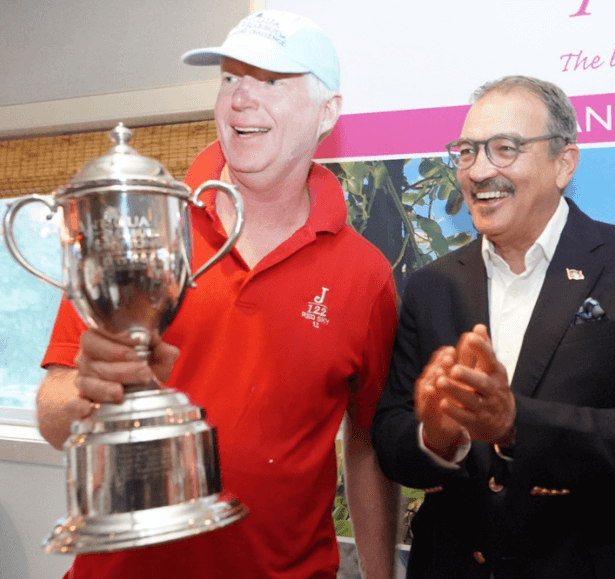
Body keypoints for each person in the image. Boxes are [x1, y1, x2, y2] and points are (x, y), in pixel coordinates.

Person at [37, 10, 399, 579]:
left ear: (327, 111)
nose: (240, 100)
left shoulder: (366, 274)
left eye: (272, 81)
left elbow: (368, 443)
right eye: (229, 78)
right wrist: (87, 392)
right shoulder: (139, 230)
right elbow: (54, 413)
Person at [372, 75, 615, 578]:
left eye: (505, 149)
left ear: (563, 163)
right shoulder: (431, 286)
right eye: (466, 151)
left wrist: (515, 424)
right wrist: (436, 438)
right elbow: (392, 439)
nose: (479, 171)